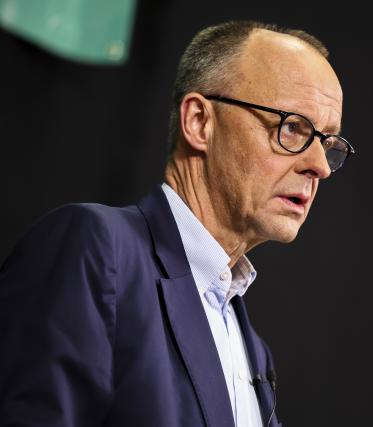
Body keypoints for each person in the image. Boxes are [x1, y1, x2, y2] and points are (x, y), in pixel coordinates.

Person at [0, 20, 354, 427]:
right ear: (199, 122)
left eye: (329, 143)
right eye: (293, 128)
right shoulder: (98, 250)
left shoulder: (254, 351)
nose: (319, 167)